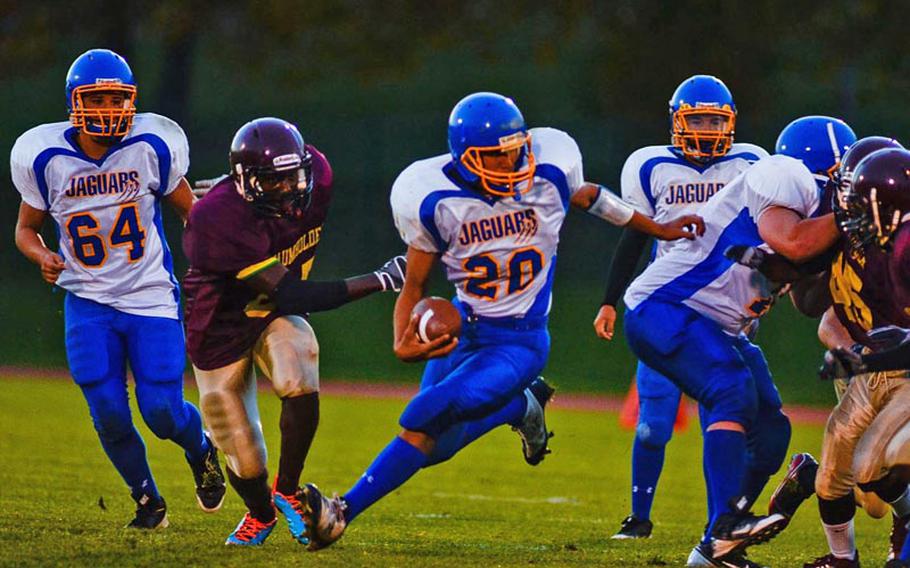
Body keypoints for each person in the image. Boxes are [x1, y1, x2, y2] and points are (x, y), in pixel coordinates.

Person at [297, 91, 706, 550]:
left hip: (520, 342)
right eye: (497, 156)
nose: (512, 164)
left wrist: (660, 227)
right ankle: (520, 407)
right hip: (465, 329)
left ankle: (339, 513)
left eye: (517, 151)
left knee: (422, 416)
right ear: (465, 157)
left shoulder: (549, 175)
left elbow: (594, 198)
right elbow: (414, 283)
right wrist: (401, 339)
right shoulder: (434, 199)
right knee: (435, 444)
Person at [622, 115, 857, 566]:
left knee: (771, 434)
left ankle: (714, 551)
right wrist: (849, 216)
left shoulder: (816, 211)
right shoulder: (781, 173)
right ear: (829, 167)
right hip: (667, 306)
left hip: (716, 327)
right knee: (730, 388)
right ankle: (726, 524)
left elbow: (808, 299)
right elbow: (791, 241)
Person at [11, 48, 225, 529]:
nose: (109, 110)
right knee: (107, 410)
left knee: (163, 412)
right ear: (75, 103)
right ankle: (147, 499)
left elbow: (192, 212)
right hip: (86, 299)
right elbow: (25, 230)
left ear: (131, 102)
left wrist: (218, 258)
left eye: (117, 99)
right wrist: (42, 254)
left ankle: (202, 449)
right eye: (98, 99)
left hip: (149, 294)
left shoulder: (151, 144)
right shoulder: (45, 157)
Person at [182, 117, 407, 546]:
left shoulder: (317, 174)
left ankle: (288, 488)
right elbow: (293, 295)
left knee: (298, 352)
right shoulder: (217, 219)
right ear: (246, 183)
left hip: (269, 316)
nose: (288, 190)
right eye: (273, 182)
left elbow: (285, 305)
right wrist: (380, 279)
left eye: (293, 177)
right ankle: (262, 512)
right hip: (219, 331)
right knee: (243, 457)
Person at [594, 74, 769, 540]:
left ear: (730, 123)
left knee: (727, 417)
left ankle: (721, 524)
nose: (709, 129)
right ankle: (639, 517)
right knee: (653, 426)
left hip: (727, 311)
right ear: (677, 122)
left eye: (716, 120)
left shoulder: (751, 164)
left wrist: (762, 288)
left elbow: (770, 237)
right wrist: (610, 301)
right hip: (668, 308)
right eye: (699, 119)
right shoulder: (651, 166)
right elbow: (636, 231)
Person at [751, 145, 910, 568]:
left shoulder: (901, 248)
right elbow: (820, 311)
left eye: (861, 198)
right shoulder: (856, 236)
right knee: (851, 476)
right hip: (872, 370)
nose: (849, 207)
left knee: (877, 477)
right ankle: (845, 557)